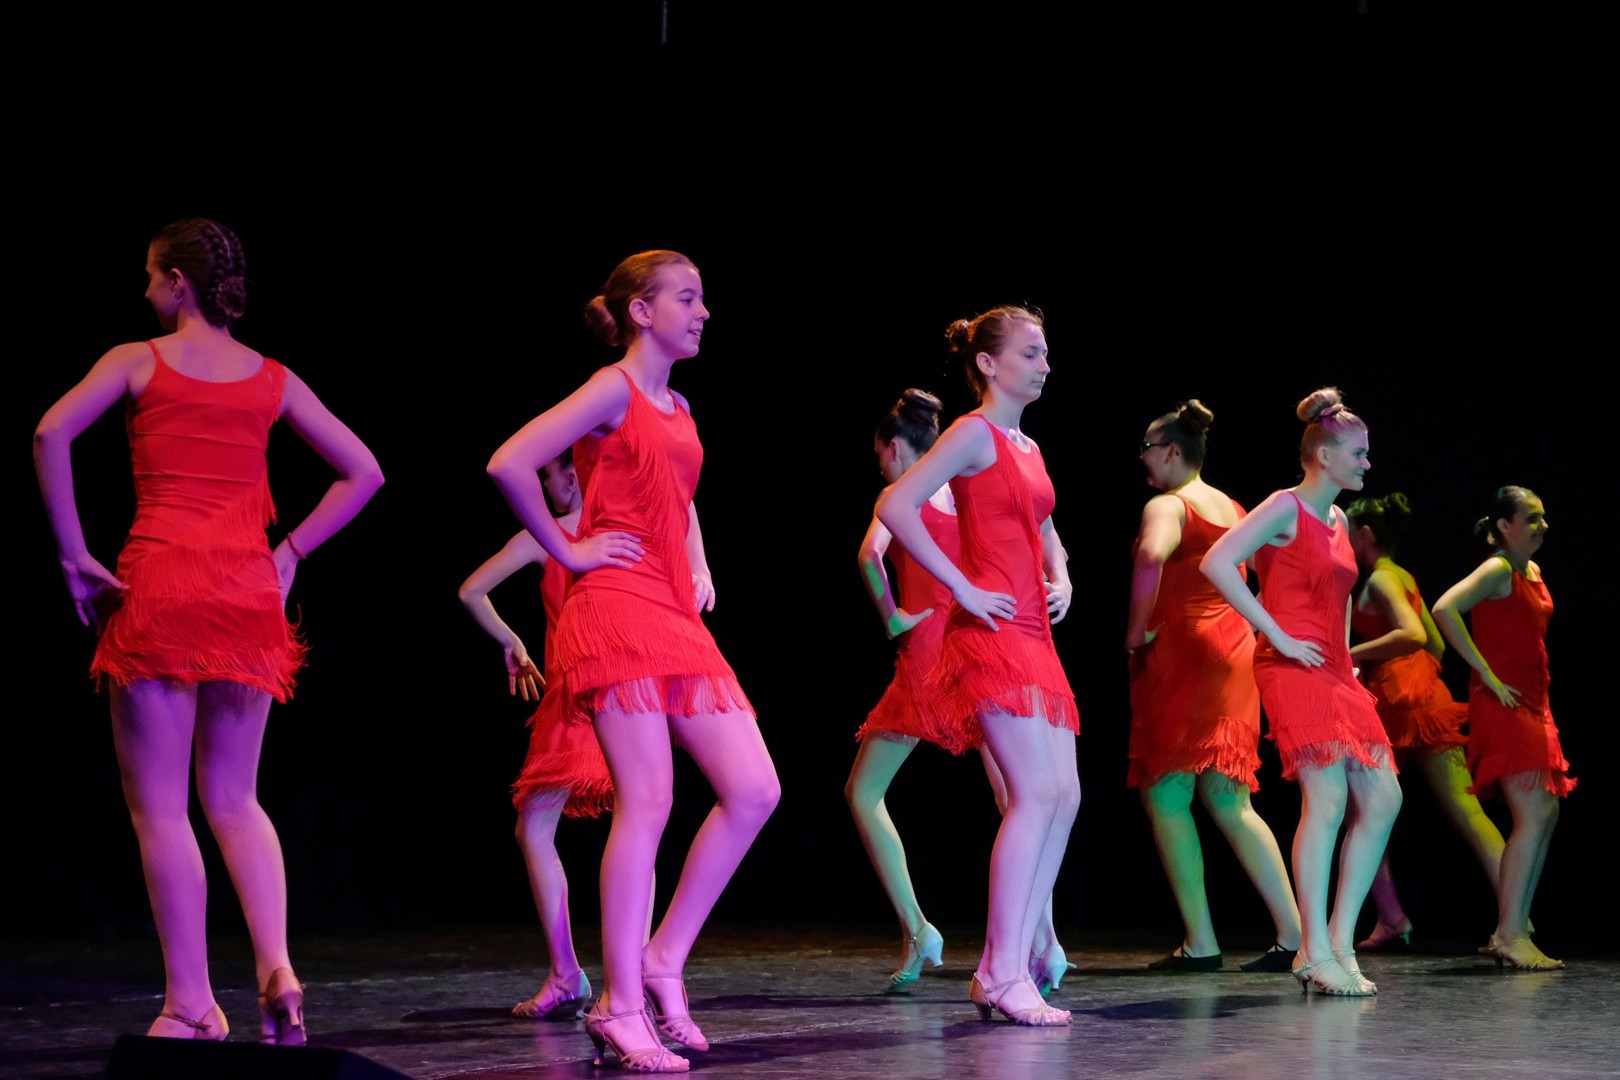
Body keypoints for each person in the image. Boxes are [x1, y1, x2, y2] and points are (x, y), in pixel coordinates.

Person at [33, 218, 384, 1042]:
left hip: (160, 588)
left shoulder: (137, 360)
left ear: (176, 282)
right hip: (246, 595)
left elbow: (50, 431)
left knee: (162, 811)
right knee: (235, 797)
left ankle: (190, 1002)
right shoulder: (273, 376)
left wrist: (74, 554)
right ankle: (277, 966)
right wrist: (290, 551)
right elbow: (364, 470)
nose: (145, 292)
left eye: (149, 278)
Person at [487, 250, 779, 1071]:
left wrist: (700, 560)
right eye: (687, 298)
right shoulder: (611, 388)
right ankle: (618, 1005)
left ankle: (661, 959)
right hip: (615, 608)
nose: (703, 311)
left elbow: (677, 498)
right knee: (647, 801)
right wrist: (569, 550)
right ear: (642, 312)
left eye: (702, 298)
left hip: (672, 611)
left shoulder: (678, 406)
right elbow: (509, 461)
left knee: (754, 788)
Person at [876, 306, 1079, 1026]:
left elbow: (1046, 526)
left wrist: (1062, 575)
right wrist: (960, 586)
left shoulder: (1027, 445)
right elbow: (896, 504)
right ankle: (1001, 971)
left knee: (1065, 795)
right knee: (1033, 794)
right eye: (1031, 353)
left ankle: (1010, 960)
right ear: (989, 364)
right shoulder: (971, 432)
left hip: (1034, 632)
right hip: (990, 633)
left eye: (1046, 352)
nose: (1044, 364)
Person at [1200, 388, 1401, 997]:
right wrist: (1278, 634)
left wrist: (1348, 661)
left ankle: (1339, 942)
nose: (1367, 463)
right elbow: (1218, 561)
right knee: (1328, 798)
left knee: (1384, 797)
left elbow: (1339, 598)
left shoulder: (1338, 520)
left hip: (1333, 670)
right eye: (1359, 453)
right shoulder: (1283, 506)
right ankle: (1313, 948)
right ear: (1324, 456)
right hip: (1290, 665)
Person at [1125, 400, 1301, 974]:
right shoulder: (1232, 507)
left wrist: (1135, 632)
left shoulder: (1167, 505)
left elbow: (1151, 556)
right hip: (1234, 653)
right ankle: (1295, 934)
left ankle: (1200, 941)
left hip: (1185, 655)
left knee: (1166, 795)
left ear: (1172, 451)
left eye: (1148, 448)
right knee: (1230, 800)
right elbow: (1268, 572)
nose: (1143, 458)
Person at [459, 449, 614, 1019]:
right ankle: (606, 975)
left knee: (550, 828)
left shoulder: (566, 533)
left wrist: (513, 641)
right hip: (599, 695)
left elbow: (470, 591)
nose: (556, 484)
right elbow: (471, 591)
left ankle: (586, 974)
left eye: (557, 473)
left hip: (590, 694)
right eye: (548, 476)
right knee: (616, 826)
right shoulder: (587, 534)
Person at [1344, 493, 1508, 951]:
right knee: (1468, 814)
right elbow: (1434, 644)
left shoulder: (1380, 579)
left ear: (1366, 535)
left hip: (1394, 703)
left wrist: (1352, 654)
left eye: (1351, 532)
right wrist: (1417, 677)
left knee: (1363, 813)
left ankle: (1392, 918)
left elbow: (1414, 634)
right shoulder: (1403, 575)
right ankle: (1517, 918)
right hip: (1424, 698)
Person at [1432, 486, 1571, 971]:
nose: (1542, 525)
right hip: (1505, 703)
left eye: (1543, 516)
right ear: (1504, 526)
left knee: (1544, 813)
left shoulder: (1531, 570)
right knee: (1532, 813)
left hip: (1534, 701)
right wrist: (1486, 674)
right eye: (1531, 518)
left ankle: (1510, 930)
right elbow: (1444, 608)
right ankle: (1510, 933)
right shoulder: (1497, 568)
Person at [848, 389, 956, 991]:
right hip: (975, 652)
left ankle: (917, 928)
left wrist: (892, 617)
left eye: (878, 455)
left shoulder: (902, 495)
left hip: (927, 658)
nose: (879, 466)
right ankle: (1042, 941)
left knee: (863, 792)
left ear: (894, 448)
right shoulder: (963, 485)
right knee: (1016, 797)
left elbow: (870, 555)